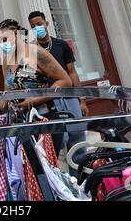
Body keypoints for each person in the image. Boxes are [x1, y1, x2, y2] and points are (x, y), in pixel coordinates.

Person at [28, 11, 88, 176]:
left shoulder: (62, 45)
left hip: (69, 97)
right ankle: (63, 183)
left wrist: (81, 100)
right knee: (55, 144)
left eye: (39, 24)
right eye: (33, 26)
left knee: (77, 138)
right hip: (48, 102)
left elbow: (73, 73)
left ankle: (82, 179)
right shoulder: (32, 50)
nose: (37, 28)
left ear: (46, 23)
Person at [0, 19, 72, 117]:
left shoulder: (36, 52)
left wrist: (34, 100)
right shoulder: (7, 60)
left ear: (16, 33)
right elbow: (8, 92)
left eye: (4, 39)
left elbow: (65, 81)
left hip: (44, 117)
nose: (2, 45)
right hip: (20, 119)